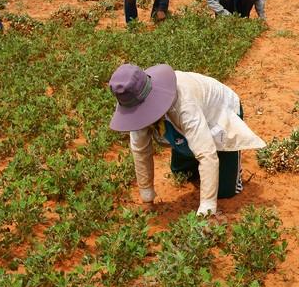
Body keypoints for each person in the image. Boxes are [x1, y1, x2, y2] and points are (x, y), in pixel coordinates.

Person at [108, 63, 265, 216]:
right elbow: (140, 150)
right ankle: (186, 149)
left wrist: (207, 210)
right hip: (182, 120)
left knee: (224, 190)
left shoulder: (185, 105)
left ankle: (228, 161)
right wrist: (147, 200)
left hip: (219, 113)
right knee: (182, 174)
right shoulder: (135, 102)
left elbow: (206, 154)